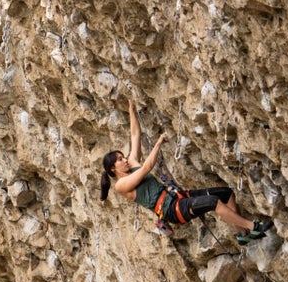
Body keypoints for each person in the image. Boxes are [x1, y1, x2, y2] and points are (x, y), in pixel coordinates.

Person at [100, 99, 273, 243]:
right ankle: (254, 227)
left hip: (177, 198)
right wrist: (159, 143)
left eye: (123, 157)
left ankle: (242, 235)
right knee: (213, 202)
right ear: (113, 169)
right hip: (171, 210)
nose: (125, 160)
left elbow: (135, 135)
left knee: (226, 193)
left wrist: (131, 108)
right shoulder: (121, 186)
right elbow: (147, 168)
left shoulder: (131, 163)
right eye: (120, 160)